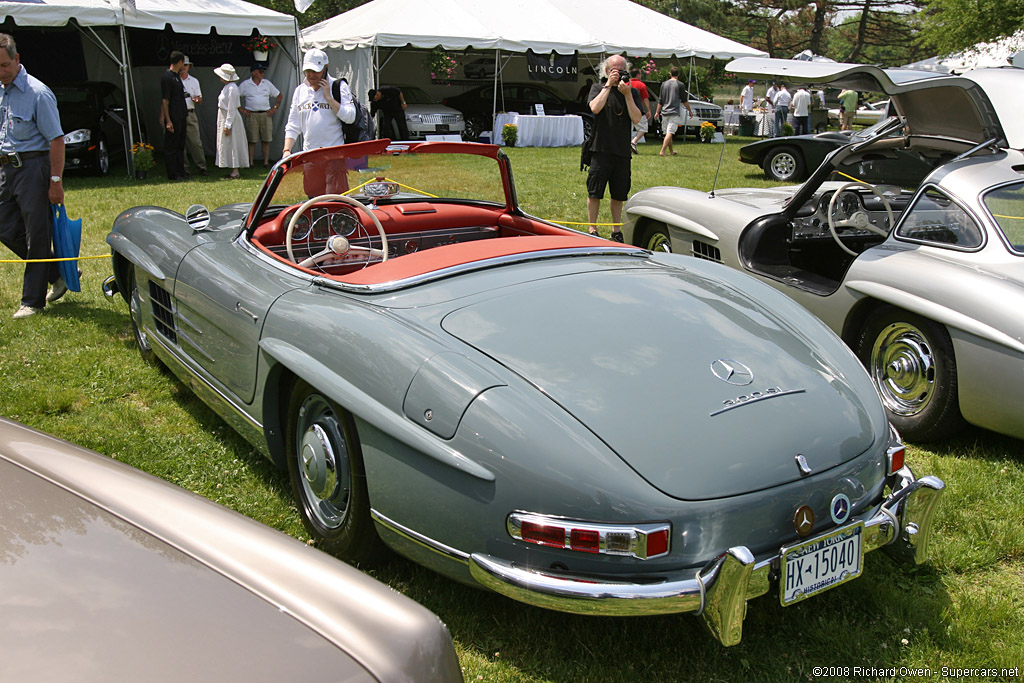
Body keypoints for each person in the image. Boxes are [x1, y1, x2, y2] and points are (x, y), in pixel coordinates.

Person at [0, 33, 67, 319]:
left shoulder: (38, 93)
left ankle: (32, 301)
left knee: (37, 234)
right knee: (4, 227)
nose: (0, 72)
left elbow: (56, 140)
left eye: (3, 65)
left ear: (17, 60)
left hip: (34, 168)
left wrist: (55, 181)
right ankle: (56, 270)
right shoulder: (1, 90)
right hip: (6, 169)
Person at [283, 48, 356, 196]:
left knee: (335, 201)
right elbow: (293, 124)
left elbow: (350, 117)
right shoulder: (300, 91)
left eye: (315, 71)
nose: (311, 75)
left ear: (325, 68)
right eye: (308, 71)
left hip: (334, 156)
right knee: (313, 200)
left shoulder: (338, 86)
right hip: (310, 155)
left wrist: (329, 98)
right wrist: (286, 150)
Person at [585, 55, 642, 242]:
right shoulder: (597, 87)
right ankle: (592, 229)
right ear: (607, 71)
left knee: (619, 193)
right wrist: (608, 86)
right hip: (600, 148)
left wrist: (626, 94)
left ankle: (616, 230)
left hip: (621, 150)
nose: (618, 73)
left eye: (622, 70)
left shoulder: (631, 92)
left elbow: (636, 118)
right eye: (614, 70)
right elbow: (594, 108)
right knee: (595, 192)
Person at [238, 64, 281, 168]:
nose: (263, 73)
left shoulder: (267, 84)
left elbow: (279, 95)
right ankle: (250, 162)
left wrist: (274, 108)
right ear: (253, 73)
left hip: (265, 114)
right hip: (252, 114)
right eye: (260, 71)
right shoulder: (245, 84)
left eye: (263, 71)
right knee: (252, 140)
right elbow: (235, 97)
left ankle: (266, 162)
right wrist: (242, 110)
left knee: (266, 139)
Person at [213, 63, 248, 179]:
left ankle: (235, 170)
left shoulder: (233, 88)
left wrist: (228, 125)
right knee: (228, 143)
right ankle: (232, 168)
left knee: (233, 142)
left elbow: (232, 108)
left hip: (230, 118)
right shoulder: (227, 87)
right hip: (224, 115)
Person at [160, 50, 188, 181]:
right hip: (173, 115)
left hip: (182, 114)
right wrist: (168, 120)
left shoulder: (177, 77)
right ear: (180, 62)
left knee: (180, 145)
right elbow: (165, 100)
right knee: (171, 146)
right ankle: (172, 173)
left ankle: (181, 171)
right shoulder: (167, 77)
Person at [653, 66, 693, 157]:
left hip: (664, 111)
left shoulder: (663, 84)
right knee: (670, 132)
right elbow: (684, 100)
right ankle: (662, 151)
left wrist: (657, 112)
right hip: (674, 112)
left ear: (670, 74)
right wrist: (689, 110)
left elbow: (660, 100)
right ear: (678, 74)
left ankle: (671, 151)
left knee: (667, 132)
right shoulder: (680, 85)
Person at [179, 55, 208, 176]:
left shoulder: (194, 81)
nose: (183, 68)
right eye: (182, 65)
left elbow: (200, 98)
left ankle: (202, 166)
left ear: (189, 67)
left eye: (186, 65)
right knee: (180, 143)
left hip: (190, 112)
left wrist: (197, 99)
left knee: (195, 142)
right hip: (178, 113)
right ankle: (184, 168)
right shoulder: (174, 79)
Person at [627, 68, 651, 154]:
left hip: (627, 109)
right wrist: (648, 110)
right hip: (638, 110)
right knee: (643, 128)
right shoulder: (641, 85)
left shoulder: (626, 83)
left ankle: (627, 146)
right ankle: (634, 141)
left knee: (627, 130)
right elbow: (645, 99)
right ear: (638, 75)